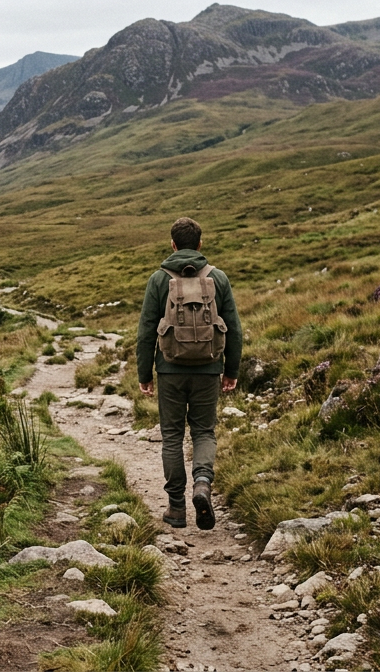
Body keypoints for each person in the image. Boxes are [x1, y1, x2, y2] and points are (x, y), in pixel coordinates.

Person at [134, 217, 242, 530]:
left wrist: (145, 374)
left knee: (171, 434)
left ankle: (177, 508)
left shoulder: (158, 279)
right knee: (204, 432)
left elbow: (145, 331)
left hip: (169, 369)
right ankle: (203, 484)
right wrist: (230, 370)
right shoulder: (217, 277)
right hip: (209, 368)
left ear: (172, 244)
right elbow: (234, 328)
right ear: (199, 243)